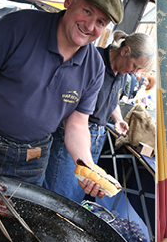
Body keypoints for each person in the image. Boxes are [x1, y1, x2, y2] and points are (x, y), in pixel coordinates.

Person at [0, 0, 124, 200]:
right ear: (69, 0)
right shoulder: (19, 25)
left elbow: (77, 124)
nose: (90, 26)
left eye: (101, 22)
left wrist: (87, 165)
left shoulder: (95, 67)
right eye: (87, 11)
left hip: (33, 160)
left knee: (17, 225)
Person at [44, 31, 155, 202]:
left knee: (78, 193)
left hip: (98, 136)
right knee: (59, 193)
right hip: (75, 133)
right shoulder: (93, 61)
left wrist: (118, 119)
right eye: (134, 66)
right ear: (125, 51)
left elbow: (112, 100)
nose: (134, 72)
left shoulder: (122, 74)